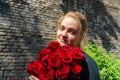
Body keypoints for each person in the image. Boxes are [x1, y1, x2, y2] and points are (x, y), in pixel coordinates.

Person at [28, 11, 100, 80]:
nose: (64, 34)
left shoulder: (88, 64)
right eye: (61, 29)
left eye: (71, 32)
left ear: (80, 37)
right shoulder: (48, 58)